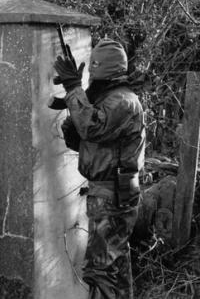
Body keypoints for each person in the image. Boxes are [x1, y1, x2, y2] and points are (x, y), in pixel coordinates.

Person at [53, 39, 145, 299]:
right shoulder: (112, 99)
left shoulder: (122, 101)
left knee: (100, 269)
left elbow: (92, 127)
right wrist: (75, 109)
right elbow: (89, 140)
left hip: (113, 195)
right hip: (110, 193)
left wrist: (74, 89)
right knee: (114, 263)